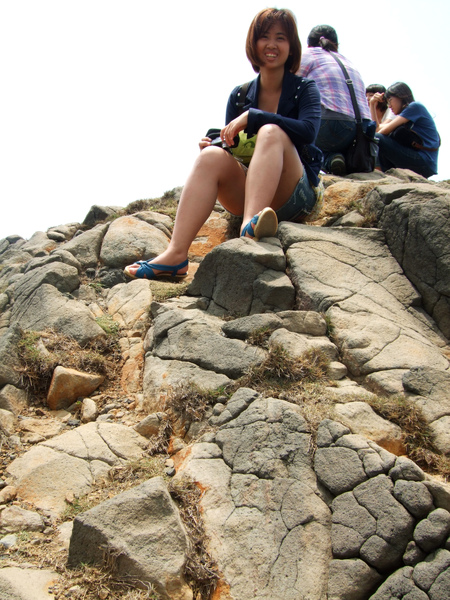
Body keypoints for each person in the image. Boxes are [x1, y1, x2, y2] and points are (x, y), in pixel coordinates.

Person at [124, 8, 322, 281]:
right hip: (252, 189)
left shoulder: (304, 88)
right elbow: (238, 153)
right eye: (265, 37)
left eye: (281, 38)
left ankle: (249, 228)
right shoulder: (240, 95)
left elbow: (310, 132)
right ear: (254, 43)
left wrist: (256, 118)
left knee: (271, 132)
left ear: (292, 47)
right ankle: (176, 255)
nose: (272, 45)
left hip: (294, 192)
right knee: (210, 157)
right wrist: (218, 145)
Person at [297, 25, 372, 176]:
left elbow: (288, 86)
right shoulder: (348, 61)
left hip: (330, 124)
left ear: (308, 44)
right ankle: (333, 158)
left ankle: (326, 158)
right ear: (336, 45)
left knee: (291, 118)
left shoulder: (308, 54)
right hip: (362, 130)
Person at [376, 82, 440, 178]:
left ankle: (379, 173)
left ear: (400, 97)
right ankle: (387, 175)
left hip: (423, 161)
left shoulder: (414, 107)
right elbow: (379, 128)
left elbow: (383, 131)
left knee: (377, 138)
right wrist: (373, 105)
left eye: (390, 100)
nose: (389, 106)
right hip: (422, 162)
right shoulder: (408, 113)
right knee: (380, 138)